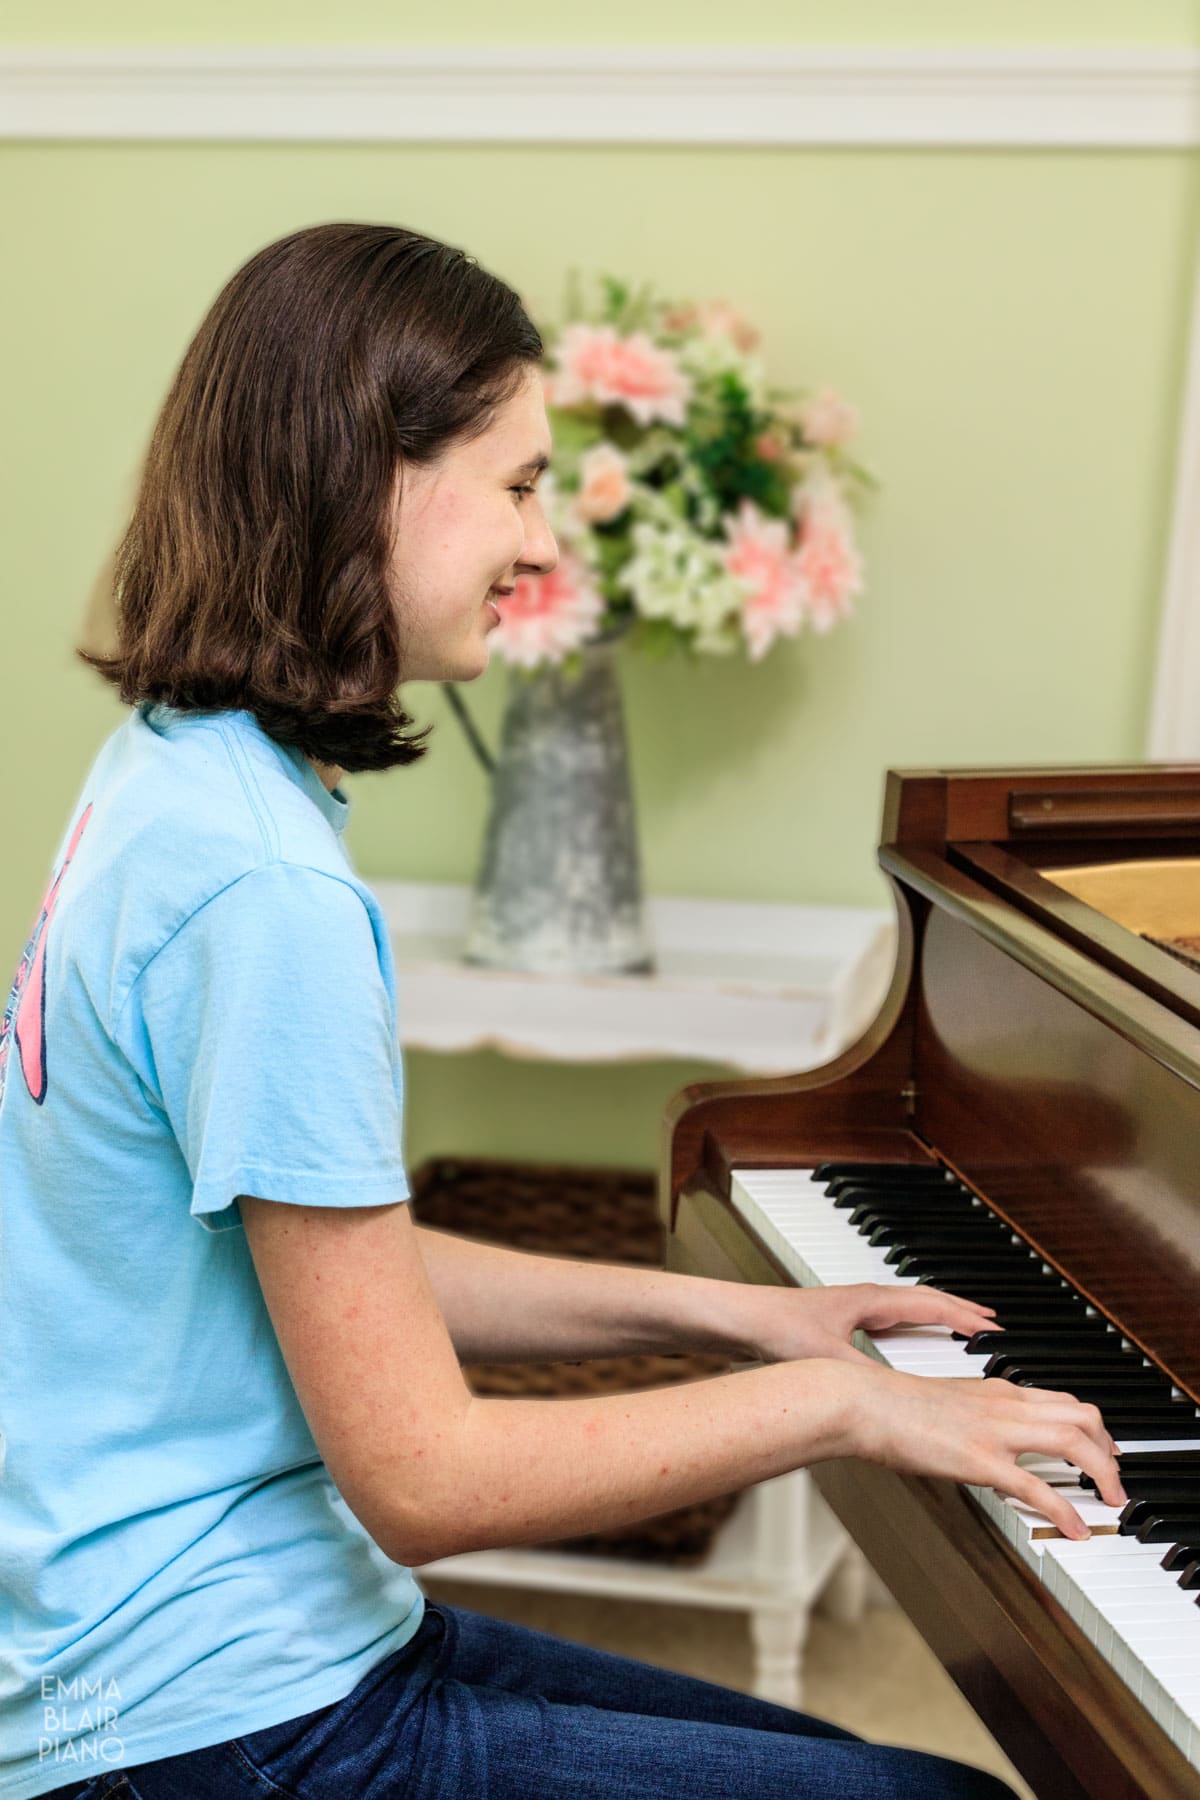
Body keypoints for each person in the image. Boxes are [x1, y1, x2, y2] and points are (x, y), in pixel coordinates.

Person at [0, 222, 1123, 1800]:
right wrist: (843, 1409)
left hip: (207, 1642)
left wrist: (739, 1315)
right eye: (519, 486)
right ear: (364, 476)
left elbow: (333, 1267)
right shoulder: (265, 897)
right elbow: (427, 1479)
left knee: (838, 1760)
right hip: (205, 1720)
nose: (546, 551)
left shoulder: (174, 779)